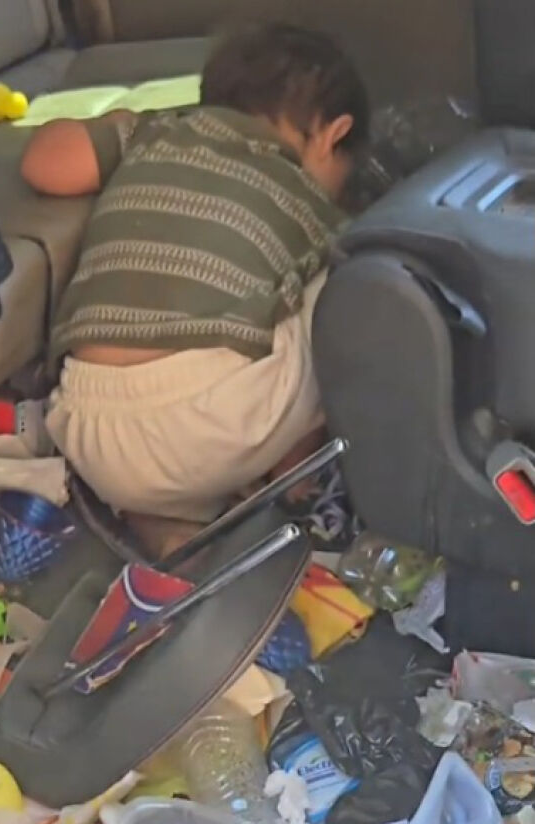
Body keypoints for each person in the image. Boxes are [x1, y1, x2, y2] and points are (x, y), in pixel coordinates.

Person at [22, 21, 369, 533]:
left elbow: (43, 165)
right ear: (333, 135)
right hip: (217, 423)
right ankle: (291, 465)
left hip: (88, 430)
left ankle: (168, 522)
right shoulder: (307, 195)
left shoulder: (155, 131)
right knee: (354, 281)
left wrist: (117, 120)